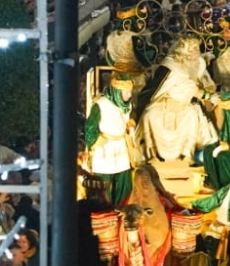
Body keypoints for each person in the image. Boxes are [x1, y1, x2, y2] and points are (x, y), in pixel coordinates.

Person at [133, 38, 218, 163]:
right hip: (164, 101)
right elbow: (152, 89)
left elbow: (203, 85)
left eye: (196, 49)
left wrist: (208, 94)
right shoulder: (170, 65)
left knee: (192, 116)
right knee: (150, 115)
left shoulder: (198, 64)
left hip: (185, 103)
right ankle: (152, 154)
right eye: (191, 50)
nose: (194, 53)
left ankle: (187, 154)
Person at [83, 76, 136, 206]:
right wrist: (95, 141)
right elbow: (89, 127)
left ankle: (122, 210)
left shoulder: (126, 105)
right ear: (117, 92)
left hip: (122, 147)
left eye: (130, 91)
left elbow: (125, 119)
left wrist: (129, 125)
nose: (129, 95)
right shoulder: (100, 105)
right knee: (103, 183)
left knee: (123, 181)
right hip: (105, 148)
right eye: (126, 92)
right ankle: (104, 210)